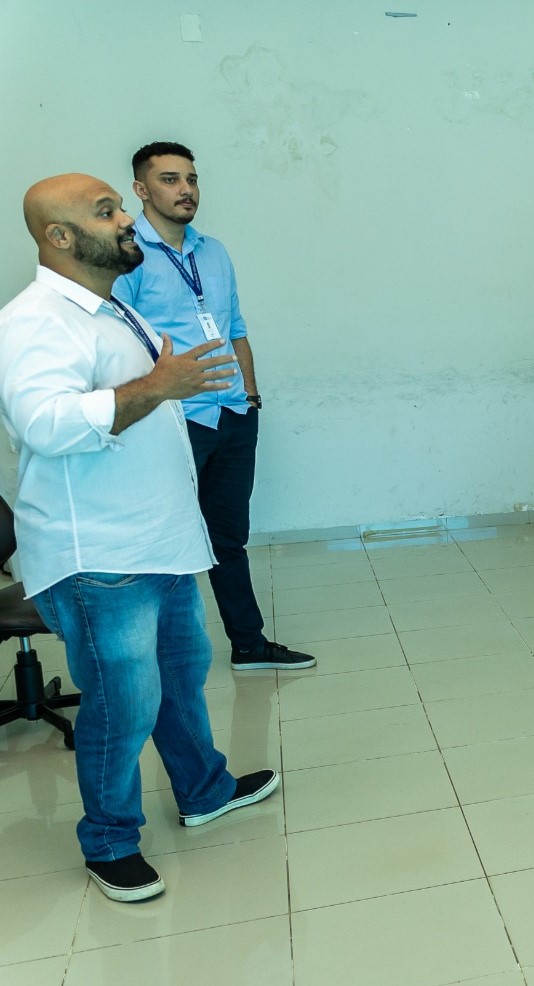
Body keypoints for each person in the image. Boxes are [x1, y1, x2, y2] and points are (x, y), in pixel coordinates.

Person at [0, 174, 281, 902]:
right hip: (99, 554)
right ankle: (109, 840)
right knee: (122, 704)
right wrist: (162, 384)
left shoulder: (112, 306)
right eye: (108, 211)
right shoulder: (34, 321)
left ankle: (203, 788)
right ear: (59, 238)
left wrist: (169, 381)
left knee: (181, 677)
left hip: (158, 540)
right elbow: (47, 424)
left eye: (119, 208)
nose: (128, 220)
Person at [113, 142, 313, 672]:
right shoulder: (129, 255)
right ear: (141, 189)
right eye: (171, 180)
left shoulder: (214, 251)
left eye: (192, 180)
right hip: (175, 419)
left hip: (231, 414)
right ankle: (149, 658)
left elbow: (236, 330)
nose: (186, 190)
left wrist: (250, 396)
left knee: (228, 537)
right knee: (163, 541)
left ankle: (248, 644)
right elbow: (118, 345)